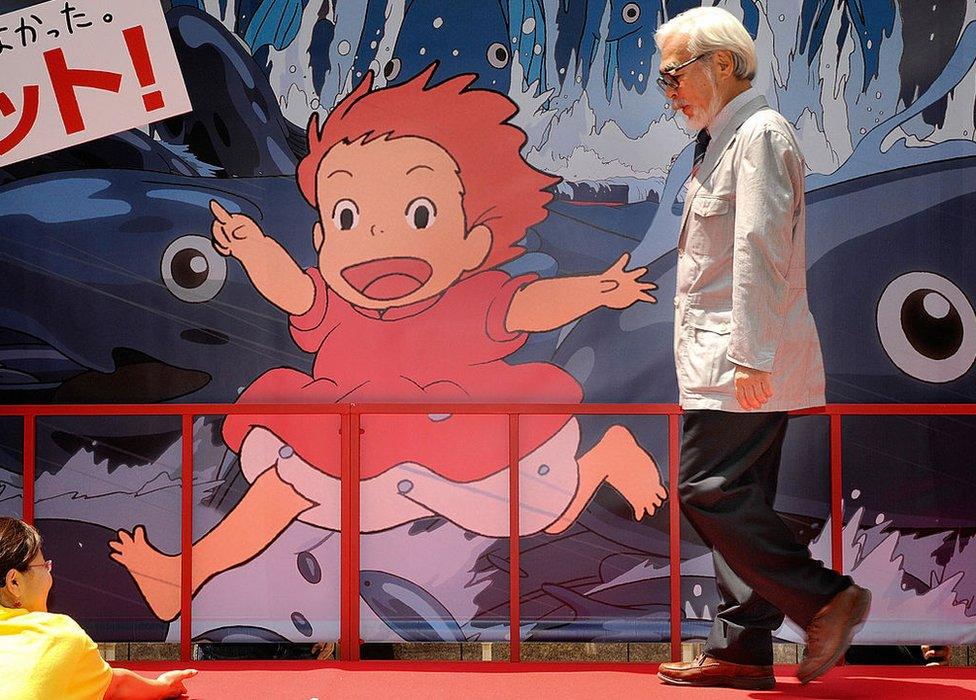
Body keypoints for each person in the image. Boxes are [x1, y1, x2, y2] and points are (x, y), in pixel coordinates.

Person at [109, 65, 667, 623]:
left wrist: (598, 290)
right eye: (348, 216)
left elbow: (529, 306)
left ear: (474, 242)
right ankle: (186, 573)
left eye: (418, 214)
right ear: (323, 238)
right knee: (282, 489)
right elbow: (295, 291)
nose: (376, 235)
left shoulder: (471, 301)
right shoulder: (336, 306)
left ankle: (602, 458)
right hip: (349, 432)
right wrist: (253, 247)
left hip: (457, 433)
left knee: (534, 509)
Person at [652, 8, 871, 690]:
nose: (668, 91)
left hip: (742, 359)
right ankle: (740, 647)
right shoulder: (722, 138)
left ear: (724, 64)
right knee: (739, 494)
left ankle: (824, 598)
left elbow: (760, 250)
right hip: (726, 358)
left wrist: (751, 354)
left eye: (674, 74)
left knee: (706, 488)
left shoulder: (760, 134)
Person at [0, 517, 196, 699]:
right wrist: (163, 686)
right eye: (44, 566)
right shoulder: (57, 634)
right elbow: (115, 686)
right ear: (14, 582)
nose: (50, 574)